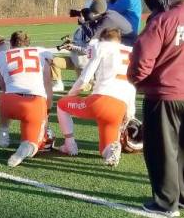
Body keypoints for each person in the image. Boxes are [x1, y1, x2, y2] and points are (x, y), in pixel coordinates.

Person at [128, 0, 184, 218]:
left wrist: (138, 80)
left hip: (164, 94)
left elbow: (143, 55)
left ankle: (166, 202)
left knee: (162, 150)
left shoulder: (164, 20)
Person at [56, 28, 135, 166]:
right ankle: (111, 151)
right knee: (104, 149)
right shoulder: (130, 51)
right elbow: (132, 84)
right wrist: (130, 112)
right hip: (120, 106)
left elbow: (85, 78)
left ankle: (70, 144)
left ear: (103, 39)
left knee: (62, 105)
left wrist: (71, 94)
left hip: (101, 100)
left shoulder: (101, 46)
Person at [0, 31, 53, 167]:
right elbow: (47, 83)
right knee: (33, 144)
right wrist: (46, 110)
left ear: (11, 44)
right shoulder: (41, 53)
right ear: (28, 43)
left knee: (2, 98)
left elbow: (3, 86)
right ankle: (24, 149)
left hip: (9, 102)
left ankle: (4, 137)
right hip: (35, 102)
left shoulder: (0, 56)